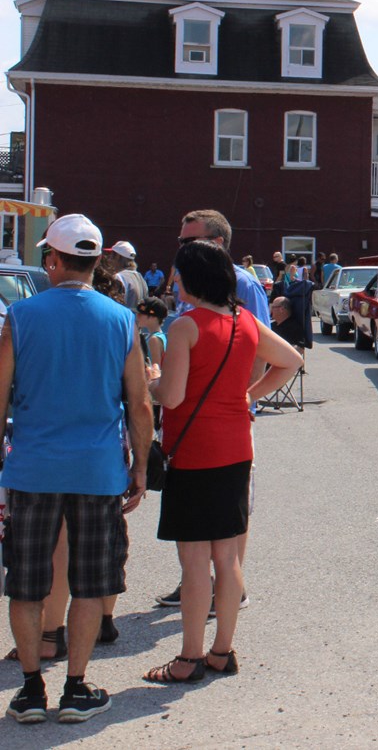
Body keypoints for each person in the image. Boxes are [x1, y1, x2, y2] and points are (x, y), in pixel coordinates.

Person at [0, 213, 153, 724]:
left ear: (54, 260)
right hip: (97, 469)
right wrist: (141, 467)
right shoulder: (120, 319)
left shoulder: (21, 317)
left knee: (26, 583)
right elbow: (139, 404)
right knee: (90, 582)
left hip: (32, 470)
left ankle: (28, 689)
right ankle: (76, 686)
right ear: (96, 261)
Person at [143, 239, 300, 685]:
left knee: (194, 561)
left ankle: (188, 658)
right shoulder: (244, 320)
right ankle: (221, 650)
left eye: (177, 274)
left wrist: (151, 382)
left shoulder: (184, 327)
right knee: (228, 556)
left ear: (190, 279)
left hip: (194, 453)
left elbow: (172, 397)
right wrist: (247, 396)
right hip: (235, 447)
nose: (173, 281)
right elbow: (291, 360)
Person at [155, 209, 270, 610]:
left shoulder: (242, 284)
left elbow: (258, 347)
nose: (180, 250)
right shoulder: (194, 286)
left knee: (229, 509)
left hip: (223, 416)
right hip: (189, 419)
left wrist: (244, 396)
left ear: (216, 242)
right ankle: (197, 582)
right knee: (200, 512)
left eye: (189, 242)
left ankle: (228, 586)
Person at [105, 241, 148, 309]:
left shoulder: (119, 277)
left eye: (112, 255)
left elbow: (113, 307)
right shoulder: (141, 278)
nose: (109, 259)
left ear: (118, 256)